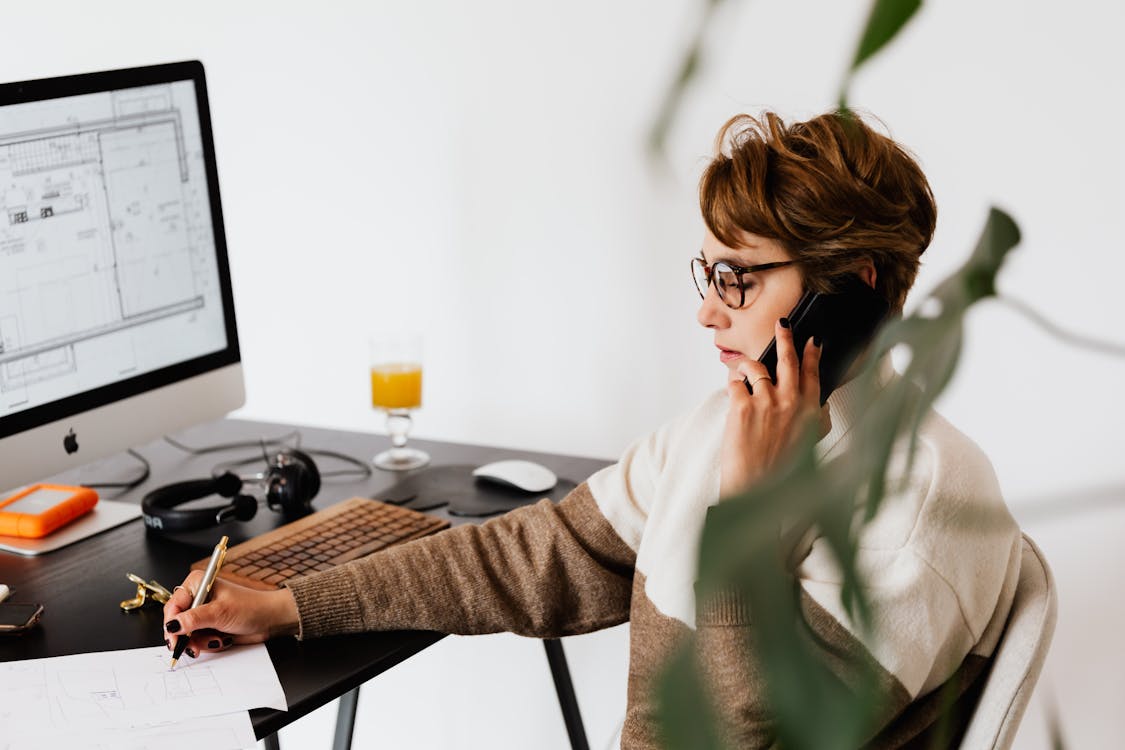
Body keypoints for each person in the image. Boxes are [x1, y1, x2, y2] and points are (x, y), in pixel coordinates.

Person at [163, 110, 1021, 748]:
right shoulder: (727, 425)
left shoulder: (921, 509)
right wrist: (291, 606)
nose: (703, 312)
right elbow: (540, 556)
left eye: (738, 280)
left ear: (851, 288)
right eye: (709, 274)